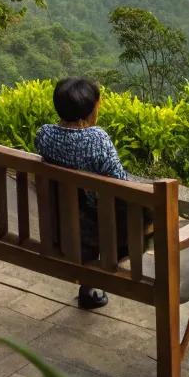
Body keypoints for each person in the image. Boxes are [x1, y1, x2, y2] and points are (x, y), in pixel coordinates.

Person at [35, 75, 128, 311]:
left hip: (59, 226)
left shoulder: (44, 135)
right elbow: (122, 183)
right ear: (90, 109)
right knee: (141, 219)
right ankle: (96, 276)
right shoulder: (98, 139)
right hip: (93, 232)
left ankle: (88, 286)